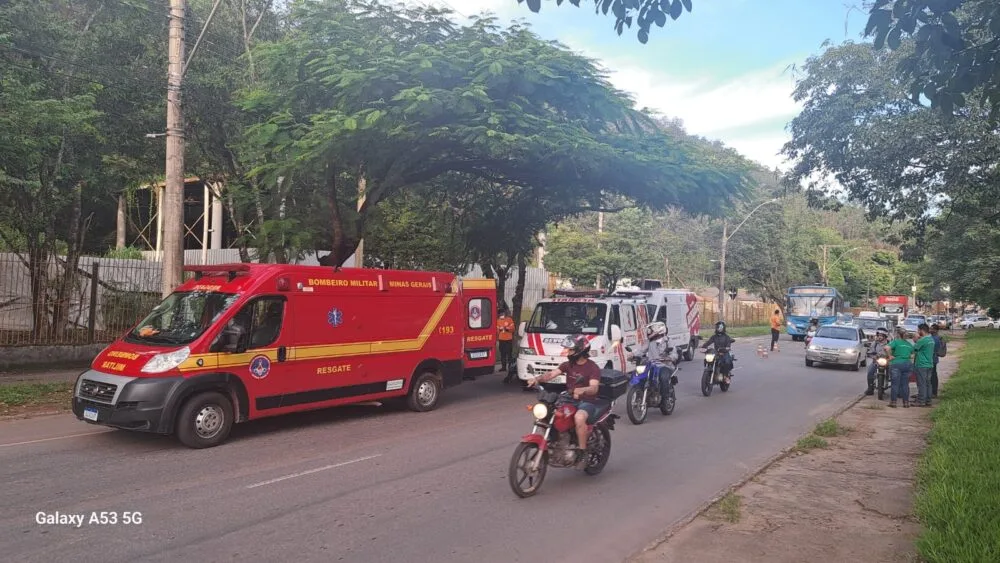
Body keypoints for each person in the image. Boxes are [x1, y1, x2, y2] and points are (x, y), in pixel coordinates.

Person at [526, 334, 602, 462]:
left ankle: (582, 452)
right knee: (548, 413)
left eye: (570, 350)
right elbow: (551, 374)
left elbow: (594, 388)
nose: (568, 352)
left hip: (586, 401)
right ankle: (556, 440)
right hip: (569, 398)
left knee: (579, 417)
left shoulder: (592, 368)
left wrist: (582, 390)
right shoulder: (568, 365)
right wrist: (536, 379)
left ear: (580, 350)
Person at [886, 326, 914, 408]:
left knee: (895, 384)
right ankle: (906, 403)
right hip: (907, 365)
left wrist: (890, 356)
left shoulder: (896, 342)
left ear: (898, 334)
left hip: (896, 364)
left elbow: (886, 348)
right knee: (905, 384)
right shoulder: (909, 344)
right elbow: (913, 355)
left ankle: (893, 402)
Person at [913, 323, 935, 407]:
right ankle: (928, 400)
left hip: (921, 364)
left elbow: (914, 349)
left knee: (921, 383)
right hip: (929, 364)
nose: (918, 332)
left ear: (922, 331)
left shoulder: (923, 340)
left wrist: (916, 339)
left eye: (918, 330)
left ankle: (921, 401)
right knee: (928, 383)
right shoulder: (931, 339)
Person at [864, 327, 890, 396]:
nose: (880, 337)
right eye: (879, 335)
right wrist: (873, 356)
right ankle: (870, 388)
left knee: (894, 373)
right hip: (876, 361)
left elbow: (893, 352)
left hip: (887, 362)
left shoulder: (890, 343)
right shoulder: (874, 343)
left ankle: (896, 389)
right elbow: (870, 352)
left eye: (882, 335)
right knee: (870, 372)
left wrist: (890, 357)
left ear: (885, 336)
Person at [497, 306, 515, 380]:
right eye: (500, 313)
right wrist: (500, 329)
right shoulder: (497, 321)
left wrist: (507, 328)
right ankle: (503, 367)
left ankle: (510, 367)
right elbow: (497, 330)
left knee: (509, 354)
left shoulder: (509, 319)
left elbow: (513, 328)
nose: (502, 314)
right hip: (501, 339)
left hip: (508, 339)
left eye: (503, 313)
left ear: (505, 313)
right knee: (502, 353)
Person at [929, 324, 943, 398]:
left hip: (932, 359)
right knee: (933, 375)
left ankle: (933, 392)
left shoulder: (934, 338)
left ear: (935, 330)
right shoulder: (937, 338)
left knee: (932, 376)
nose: (930, 330)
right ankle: (933, 392)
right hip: (934, 359)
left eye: (931, 329)